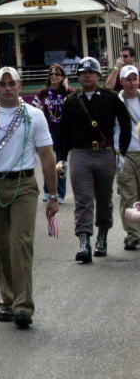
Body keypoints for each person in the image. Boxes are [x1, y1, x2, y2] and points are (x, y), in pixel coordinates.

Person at [0, 66, 58, 328]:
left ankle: (23, 306)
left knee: (21, 242)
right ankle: (7, 300)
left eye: (12, 84)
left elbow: (47, 156)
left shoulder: (34, 115)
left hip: (24, 184)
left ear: (19, 86)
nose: (7, 88)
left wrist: (52, 194)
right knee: (2, 246)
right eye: (2, 84)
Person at [59, 57, 131, 262]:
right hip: (80, 154)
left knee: (104, 199)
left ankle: (102, 236)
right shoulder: (72, 101)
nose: (87, 76)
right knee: (83, 200)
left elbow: (125, 124)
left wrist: (122, 152)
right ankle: (84, 242)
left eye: (91, 73)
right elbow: (63, 133)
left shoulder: (111, 98)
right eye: (83, 73)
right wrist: (62, 158)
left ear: (99, 76)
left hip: (105, 153)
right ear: (78, 77)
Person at [31, 63, 74, 203]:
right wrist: (37, 108)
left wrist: (67, 88)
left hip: (63, 132)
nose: (53, 76)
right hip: (46, 133)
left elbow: (77, 102)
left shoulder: (67, 92)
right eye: (51, 74)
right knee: (47, 162)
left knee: (61, 163)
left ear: (63, 77)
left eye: (57, 74)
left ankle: (60, 194)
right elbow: (31, 110)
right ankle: (47, 190)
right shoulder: (43, 93)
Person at [116, 65, 140, 250]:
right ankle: (132, 235)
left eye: (135, 78)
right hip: (126, 154)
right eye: (128, 79)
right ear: (122, 81)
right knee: (129, 195)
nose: (132, 83)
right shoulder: (116, 102)